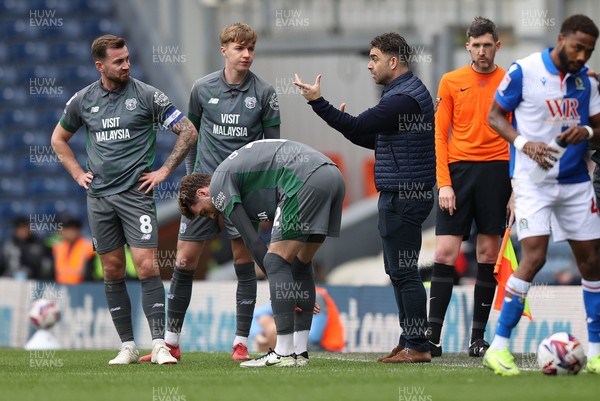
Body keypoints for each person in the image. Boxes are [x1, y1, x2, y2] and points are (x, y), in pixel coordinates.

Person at [50, 34, 198, 365]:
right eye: (118, 61)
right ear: (100, 65)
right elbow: (58, 139)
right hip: (99, 198)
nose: (126, 65)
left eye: (128, 58)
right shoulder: (83, 100)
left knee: (147, 265)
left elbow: (189, 131)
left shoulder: (148, 95)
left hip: (136, 195)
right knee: (112, 269)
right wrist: (77, 173)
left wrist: (163, 171)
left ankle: (159, 344)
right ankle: (127, 346)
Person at [294, 32, 435, 363]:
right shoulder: (404, 94)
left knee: (404, 271)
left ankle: (417, 345)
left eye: (374, 58)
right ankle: (410, 340)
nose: (369, 66)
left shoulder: (402, 98)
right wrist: (348, 125)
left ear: (393, 61)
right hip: (404, 192)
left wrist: (318, 102)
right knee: (401, 271)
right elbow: (378, 140)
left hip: (403, 194)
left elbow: (359, 127)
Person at [146, 22, 281, 363]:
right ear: (224, 50)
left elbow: (273, 149)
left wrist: (265, 195)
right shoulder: (202, 88)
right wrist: (192, 178)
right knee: (184, 261)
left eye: (251, 48)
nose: (247, 54)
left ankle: (240, 342)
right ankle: (171, 342)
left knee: (242, 262)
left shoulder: (264, 94)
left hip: (242, 195)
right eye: (239, 48)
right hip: (204, 193)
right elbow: (189, 135)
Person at [483, 14, 600, 376]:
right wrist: (523, 143)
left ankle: (595, 352)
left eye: (590, 50)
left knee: (593, 263)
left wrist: (586, 131)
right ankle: (498, 348)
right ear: (561, 38)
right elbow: (494, 116)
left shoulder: (587, 82)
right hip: (533, 181)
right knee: (533, 258)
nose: (582, 56)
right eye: (577, 47)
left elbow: (598, 129)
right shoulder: (524, 71)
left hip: (577, 181)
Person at [178, 139, 345, 367]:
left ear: (202, 192)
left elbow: (252, 240)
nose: (209, 217)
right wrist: (289, 286)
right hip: (332, 175)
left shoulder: (218, 185)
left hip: (303, 178)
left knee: (276, 261)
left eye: (203, 212)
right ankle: (300, 351)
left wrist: (280, 282)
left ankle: (284, 353)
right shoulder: (243, 182)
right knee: (300, 262)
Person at [427, 17, 512, 358]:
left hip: (498, 172)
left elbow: (518, 135)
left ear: (497, 46)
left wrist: (516, 188)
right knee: (444, 253)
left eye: (487, 45)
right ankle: (432, 336)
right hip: (459, 175)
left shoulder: (509, 81)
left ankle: (477, 338)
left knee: (488, 255)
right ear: (467, 46)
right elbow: (439, 135)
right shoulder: (450, 81)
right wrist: (444, 184)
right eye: (475, 45)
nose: (481, 51)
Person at [250, 286, 345, 353]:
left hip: (325, 347)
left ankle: (278, 354)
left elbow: (315, 337)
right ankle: (273, 354)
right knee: (264, 320)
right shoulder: (292, 294)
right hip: (305, 341)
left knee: (275, 330)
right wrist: (259, 335)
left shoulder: (317, 296)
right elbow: (256, 314)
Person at [52, 216, 95, 284]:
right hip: (61, 287)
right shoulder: (57, 247)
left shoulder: (88, 246)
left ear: (77, 230)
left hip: (82, 287)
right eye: (65, 229)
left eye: (71, 229)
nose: (68, 232)